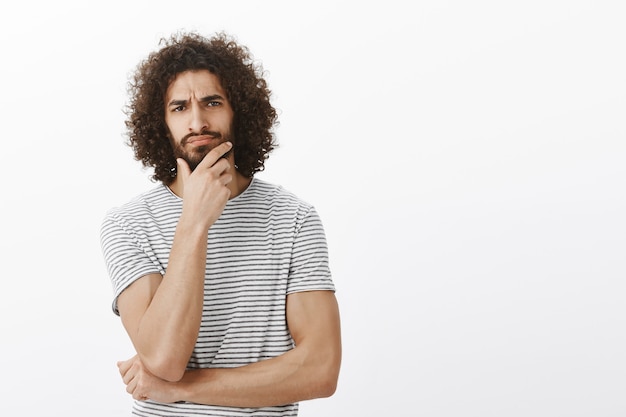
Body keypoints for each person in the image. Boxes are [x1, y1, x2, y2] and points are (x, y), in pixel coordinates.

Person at [100, 31, 341, 416]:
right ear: (160, 124)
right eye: (179, 108)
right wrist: (194, 222)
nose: (197, 121)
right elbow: (164, 358)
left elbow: (321, 370)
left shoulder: (294, 218)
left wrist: (180, 391)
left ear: (238, 112)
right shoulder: (129, 224)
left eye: (212, 102)